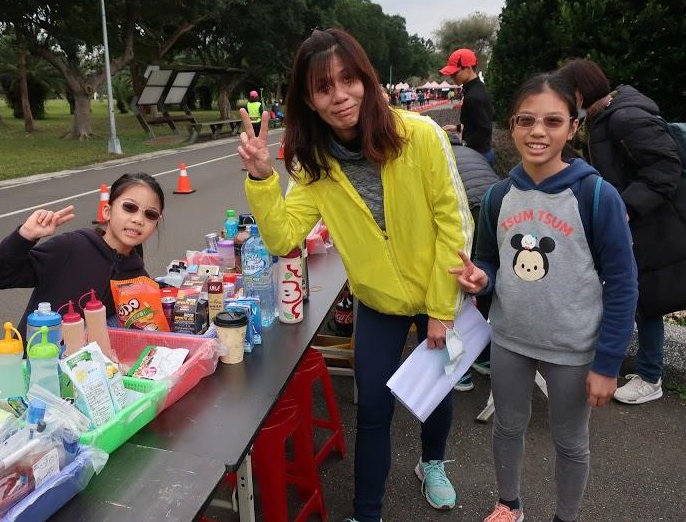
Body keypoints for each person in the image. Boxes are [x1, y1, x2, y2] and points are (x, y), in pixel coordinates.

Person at [237, 28, 473, 521]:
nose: (340, 96)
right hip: (377, 302)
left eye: (349, 79)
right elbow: (283, 239)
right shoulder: (314, 164)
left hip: (439, 292)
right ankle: (368, 513)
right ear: (308, 98)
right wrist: (262, 178)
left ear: (366, 79)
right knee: (372, 411)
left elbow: (454, 221)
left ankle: (432, 463)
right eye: (324, 87)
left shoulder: (419, 135)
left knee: (436, 391)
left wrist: (442, 310)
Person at [450, 73, 637, 522]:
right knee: (507, 427)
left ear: (572, 127)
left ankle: (565, 516)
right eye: (526, 120)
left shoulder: (596, 195)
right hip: (510, 339)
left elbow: (624, 284)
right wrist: (482, 280)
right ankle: (508, 503)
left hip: (573, 349)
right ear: (511, 125)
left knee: (570, 441)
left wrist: (608, 363)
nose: (538, 131)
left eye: (553, 121)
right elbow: (490, 261)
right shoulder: (498, 196)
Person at [558, 58, 686, 404]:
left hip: (655, 224)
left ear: (580, 94)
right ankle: (645, 368)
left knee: (648, 298)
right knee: (640, 295)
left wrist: (625, 207)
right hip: (646, 223)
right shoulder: (609, 116)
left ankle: (650, 376)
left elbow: (665, 166)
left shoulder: (625, 119)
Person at [0, 173, 165, 337]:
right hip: (35, 361)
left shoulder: (139, 280)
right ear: (107, 212)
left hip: (84, 369)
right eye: (130, 207)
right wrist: (24, 236)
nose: (138, 220)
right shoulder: (70, 247)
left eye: (150, 214)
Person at [446, 131, 500, 391]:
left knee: (460, 284)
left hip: (466, 217)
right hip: (498, 214)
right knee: (486, 282)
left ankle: (461, 367)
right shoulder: (475, 153)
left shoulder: (439, 155)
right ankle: (485, 355)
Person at [439, 48, 495, 167]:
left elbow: (484, 128)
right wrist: (457, 128)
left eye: (455, 73)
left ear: (468, 68)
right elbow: (476, 122)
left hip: (478, 155)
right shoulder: (478, 89)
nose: (452, 77)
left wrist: (463, 144)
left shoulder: (473, 96)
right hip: (483, 152)